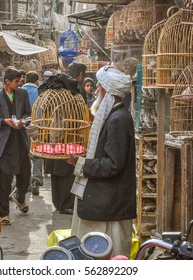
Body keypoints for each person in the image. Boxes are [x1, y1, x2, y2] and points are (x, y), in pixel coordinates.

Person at [68, 65, 135, 258]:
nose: (96, 89)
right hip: (105, 200)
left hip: (110, 204)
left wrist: (81, 163)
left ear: (107, 91)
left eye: (99, 86)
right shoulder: (114, 116)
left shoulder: (118, 119)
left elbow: (114, 164)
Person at [0, 68, 31, 225]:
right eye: (17, 82)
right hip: (4, 145)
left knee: (25, 176)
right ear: (7, 82)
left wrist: (23, 122)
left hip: (20, 141)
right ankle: (4, 213)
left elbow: (28, 115)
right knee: (3, 181)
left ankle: (19, 198)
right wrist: (4, 121)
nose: (20, 84)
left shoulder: (22, 94)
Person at [44, 62, 87, 215]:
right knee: (67, 170)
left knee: (56, 171)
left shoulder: (57, 87)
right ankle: (65, 204)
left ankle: (58, 203)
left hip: (53, 136)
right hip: (70, 135)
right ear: (81, 75)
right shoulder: (77, 89)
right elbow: (81, 114)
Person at [22, 71, 42, 195]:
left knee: (23, 154)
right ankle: (36, 180)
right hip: (37, 126)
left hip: (22, 126)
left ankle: (24, 182)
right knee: (37, 153)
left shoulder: (18, 91)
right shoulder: (40, 93)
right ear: (36, 81)